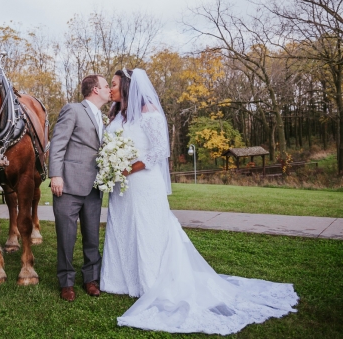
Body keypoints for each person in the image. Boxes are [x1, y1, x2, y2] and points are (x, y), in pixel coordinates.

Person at [100, 68, 299, 335]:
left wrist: (129, 168)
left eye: (113, 84)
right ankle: (122, 282)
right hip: (122, 188)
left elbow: (160, 150)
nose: (110, 89)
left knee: (147, 231)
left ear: (127, 86)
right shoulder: (117, 115)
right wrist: (111, 167)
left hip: (144, 183)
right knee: (123, 229)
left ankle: (151, 282)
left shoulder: (148, 112)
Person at [49, 74, 111, 302]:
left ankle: (90, 279)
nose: (109, 90)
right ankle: (66, 282)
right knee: (66, 236)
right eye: (106, 86)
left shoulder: (103, 117)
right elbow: (58, 143)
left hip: (95, 186)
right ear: (95, 89)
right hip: (68, 184)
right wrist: (56, 175)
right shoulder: (73, 110)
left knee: (92, 235)